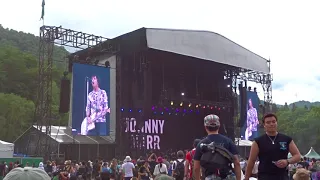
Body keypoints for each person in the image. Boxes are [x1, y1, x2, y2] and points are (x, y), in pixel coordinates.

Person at [244, 113, 301, 180]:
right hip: (264, 176)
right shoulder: (257, 141)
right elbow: (251, 161)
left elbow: (297, 156)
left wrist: (287, 161)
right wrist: (246, 178)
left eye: (273, 122)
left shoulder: (286, 139)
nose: (271, 124)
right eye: (268, 122)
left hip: (282, 176)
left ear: (276, 123)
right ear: (264, 125)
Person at [193, 114, 241, 180]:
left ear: (205, 127)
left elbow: (196, 168)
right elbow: (237, 163)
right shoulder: (228, 141)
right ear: (219, 126)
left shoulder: (201, 144)